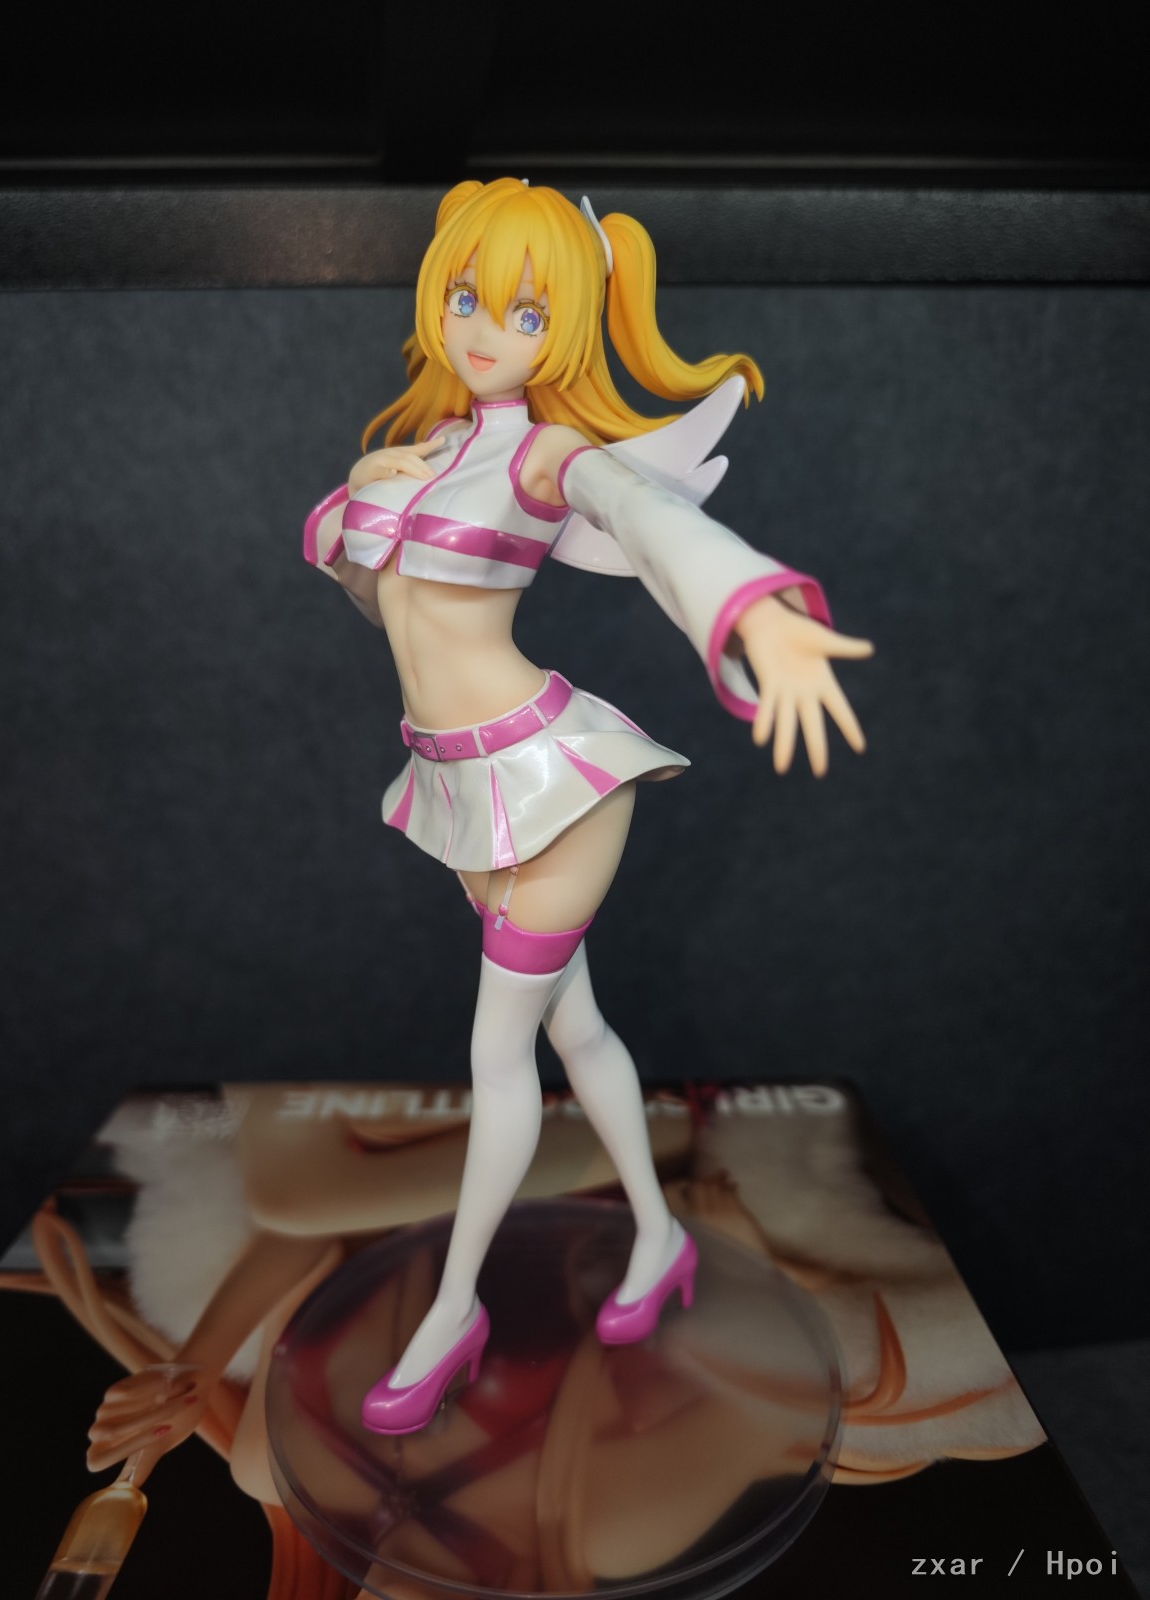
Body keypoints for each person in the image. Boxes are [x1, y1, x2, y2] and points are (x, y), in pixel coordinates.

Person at [304, 176, 873, 1434]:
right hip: (456, 782)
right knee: (578, 1029)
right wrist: (361, 491)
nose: (485, 329)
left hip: (552, 782)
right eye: (469, 296)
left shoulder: (548, 456)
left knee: (497, 1053)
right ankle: (659, 1237)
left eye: (525, 311)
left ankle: (454, 1312)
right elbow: (384, 607)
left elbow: (650, 519)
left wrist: (756, 612)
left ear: (562, 327)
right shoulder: (432, 444)